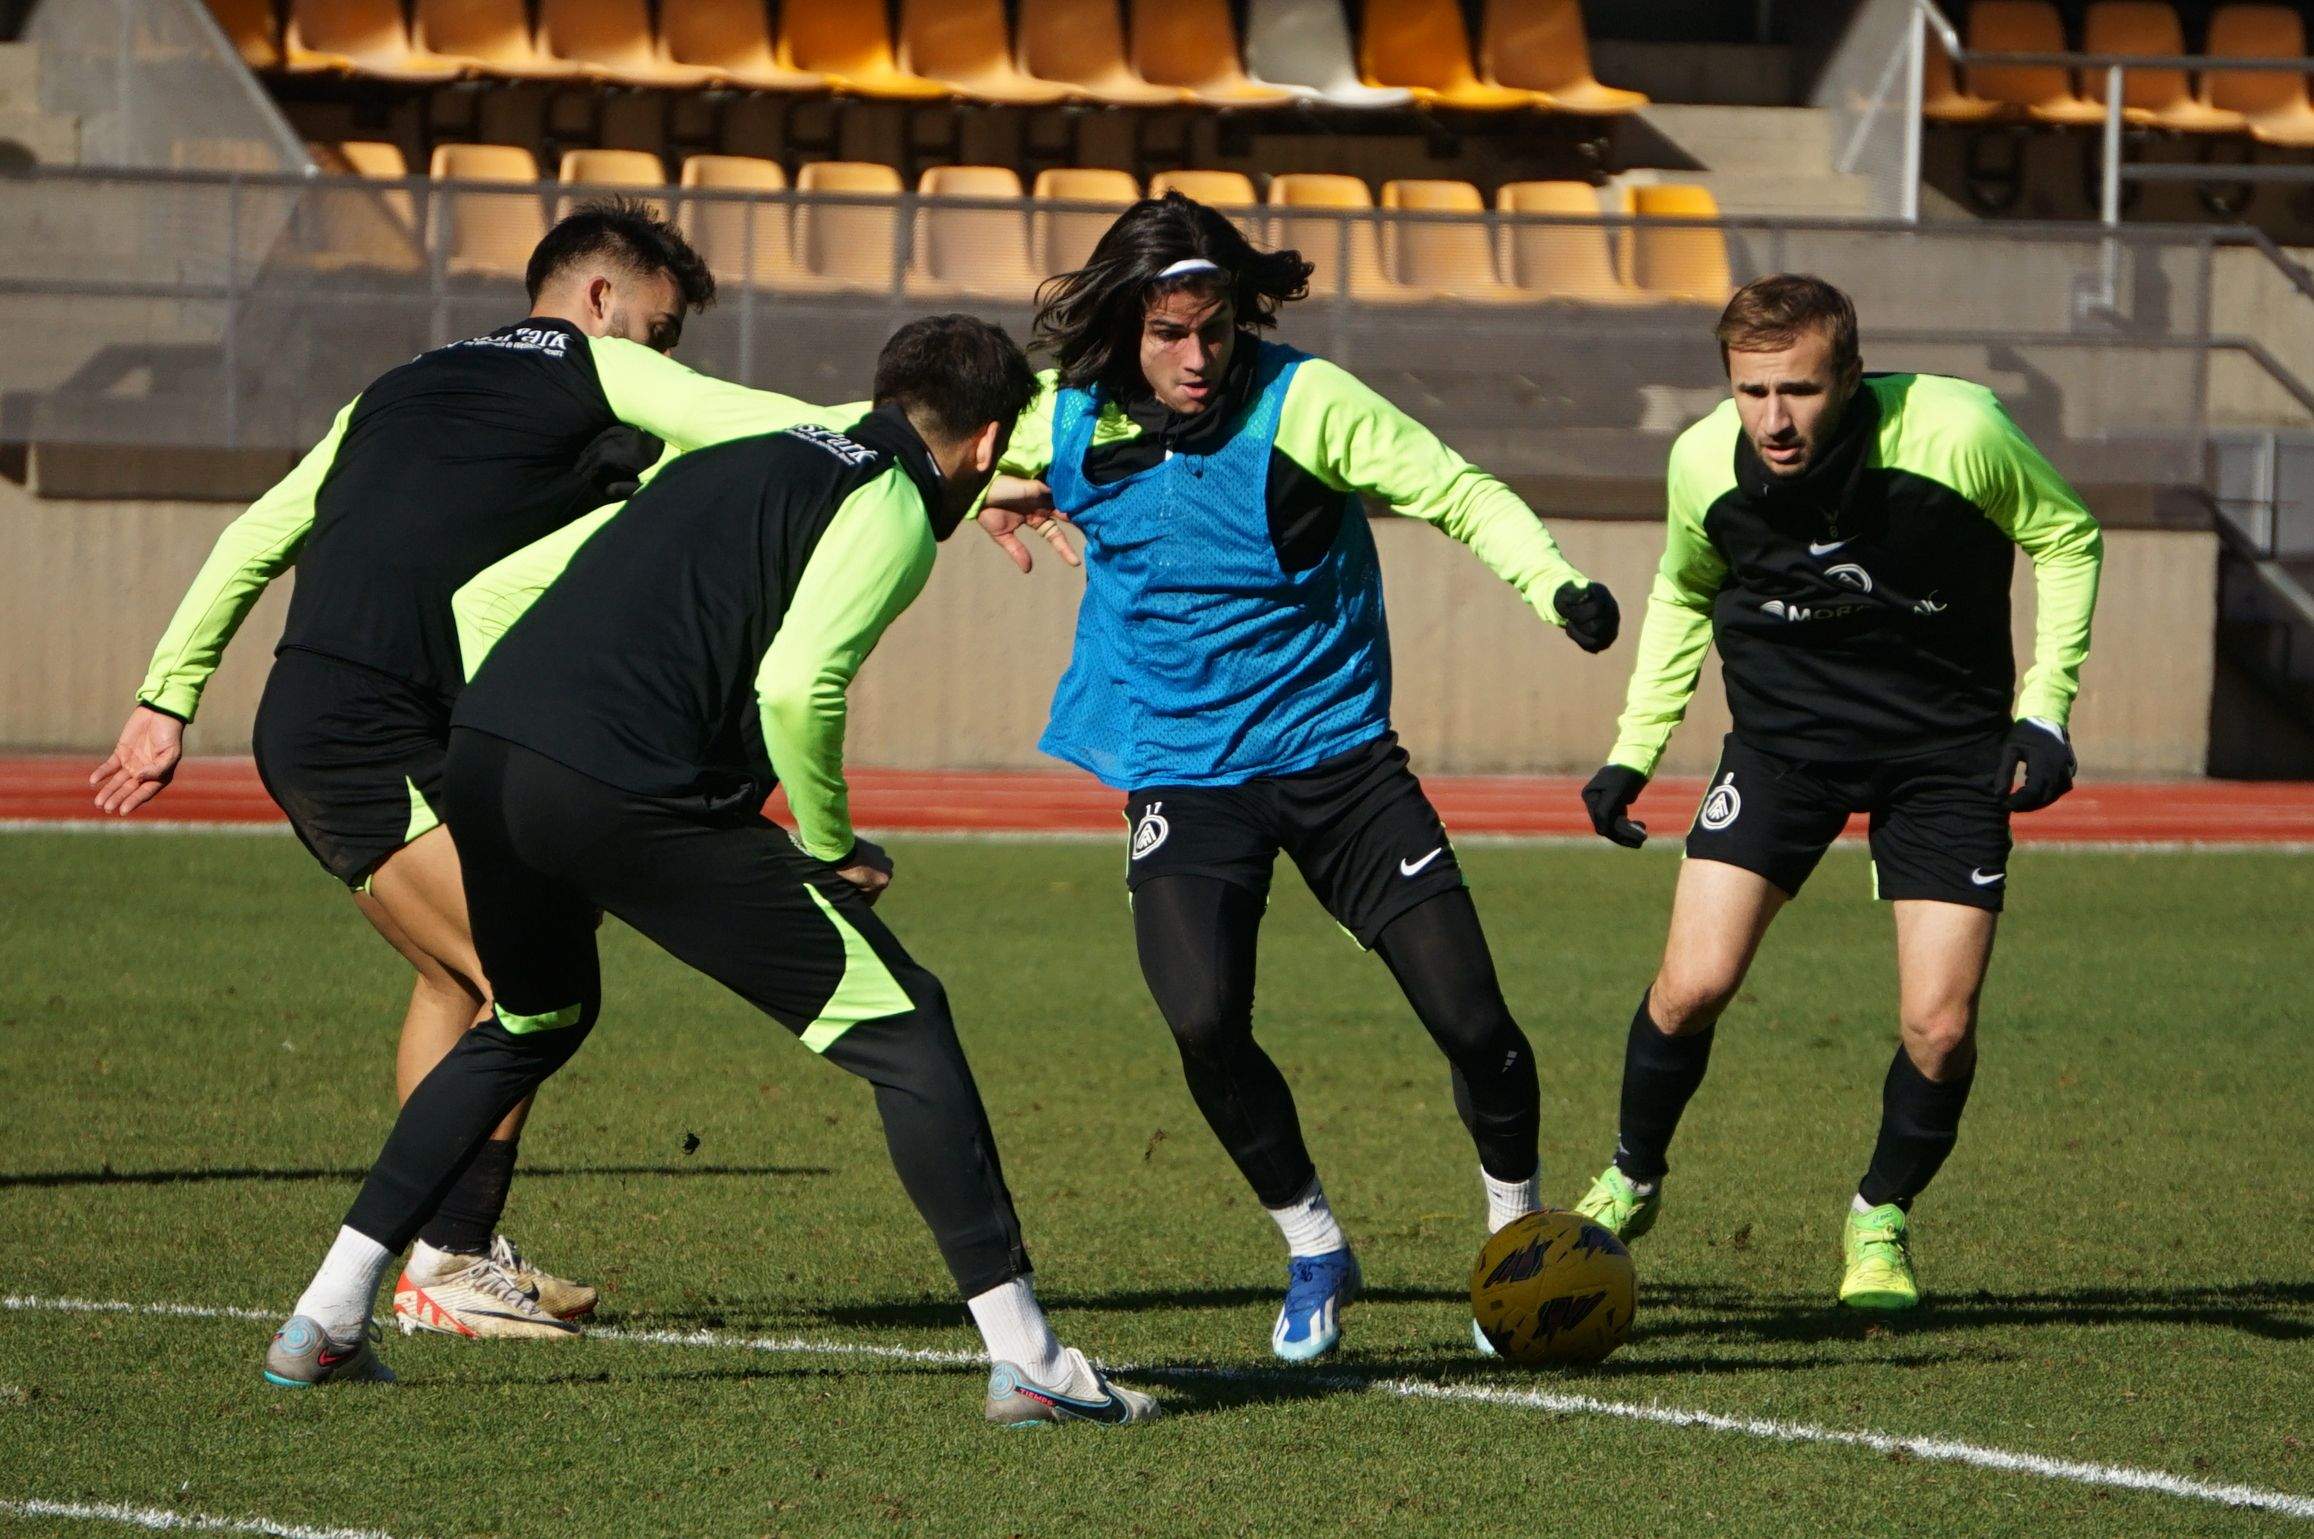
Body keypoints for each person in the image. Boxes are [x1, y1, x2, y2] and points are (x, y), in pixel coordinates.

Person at [263, 314, 1160, 1428]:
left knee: (535, 1020)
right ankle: (1028, 1359)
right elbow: (799, 688)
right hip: (620, 784)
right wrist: (830, 847)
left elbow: (487, 600)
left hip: (488, 754)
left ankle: (327, 1318)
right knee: (910, 1031)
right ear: (986, 445)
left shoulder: (744, 457)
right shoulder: (884, 505)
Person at [92, 199, 829, 1339]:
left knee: (458, 981)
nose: (664, 357)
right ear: (597, 299)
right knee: (528, 986)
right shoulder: (590, 365)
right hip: (368, 731)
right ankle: (442, 1262)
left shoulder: (393, 387)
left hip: (349, 716)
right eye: (660, 329)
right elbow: (770, 427)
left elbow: (254, 536)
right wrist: (942, 456)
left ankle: (453, 1249)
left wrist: (165, 699)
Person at [978, 193, 1622, 1362]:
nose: (1195, 356)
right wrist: (976, 485)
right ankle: (1315, 1245)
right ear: (1126, 322)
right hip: (1185, 769)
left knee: (1476, 1025)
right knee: (1202, 1019)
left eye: (1214, 329)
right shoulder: (1062, 416)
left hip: (1339, 761)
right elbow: (934, 446)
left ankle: (1515, 1241)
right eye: (1170, 332)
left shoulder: (1305, 401)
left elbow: (1455, 490)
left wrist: (1556, 584)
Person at [1571, 274, 2103, 1310]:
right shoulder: (1697, 462)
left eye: (1801, 391)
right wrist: (1633, 750)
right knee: (1689, 988)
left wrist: (2044, 709)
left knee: (1937, 1029)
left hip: (1945, 755)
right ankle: (1631, 1176)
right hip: (1784, 747)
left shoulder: (1955, 430)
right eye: (1751, 391)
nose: (1774, 419)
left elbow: (2067, 536)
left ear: (1852, 377)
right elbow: (1685, 589)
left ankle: (1878, 1218)